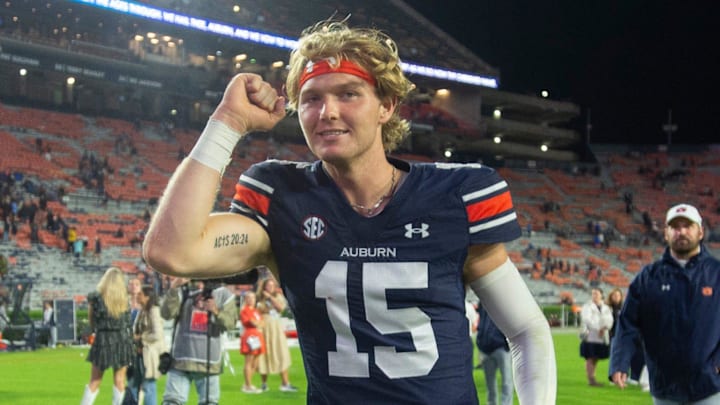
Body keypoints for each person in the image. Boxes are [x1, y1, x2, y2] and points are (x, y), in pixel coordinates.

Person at [143, 20, 556, 404]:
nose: (328, 112)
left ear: (387, 106)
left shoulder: (457, 195)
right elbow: (171, 252)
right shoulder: (280, 196)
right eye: (311, 99)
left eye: (348, 93)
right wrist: (227, 121)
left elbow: (524, 329)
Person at [610, 203, 720, 403]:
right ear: (666, 234)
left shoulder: (716, 273)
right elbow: (628, 323)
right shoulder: (648, 277)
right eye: (675, 227)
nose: (682, 231)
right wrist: (619, 362)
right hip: (664, 386)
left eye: (688, 226)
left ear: (701, 231)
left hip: (709, 386)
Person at [159, 278, 236, 405]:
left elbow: (230, 324)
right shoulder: (183, 290)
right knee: (172, 401)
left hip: (209, 361)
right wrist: (173, 288)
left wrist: (216, 311)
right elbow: (166, 314)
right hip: (181, 360)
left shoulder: (224, 294)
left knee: (209, 402)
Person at [81, 267, 135, 405]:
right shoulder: (125, 299)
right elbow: (128, 322)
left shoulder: (96, 298)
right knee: (119, 381)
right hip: (122, 340)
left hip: (103, 340)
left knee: (94, 381)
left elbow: (92, 320)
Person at [255, 277, 298, 392]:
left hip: (276, 328)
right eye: (267, 285)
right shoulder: (258, 298)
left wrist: (270, 297)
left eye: (271, 285)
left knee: (280, 353)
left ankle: (285, 383)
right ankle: (264, 384)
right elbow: (256, 311)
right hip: (263, 328)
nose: (269, 287)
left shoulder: (277, 297)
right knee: (263, 355)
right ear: (263, 287)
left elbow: (280, 308)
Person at [130, 286, 166, 405]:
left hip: (150, 354)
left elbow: (157, 334)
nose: (137, 295)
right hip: (139, 353)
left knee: (149, 385)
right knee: (134, 384)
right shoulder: (142, 310)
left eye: (140, 294)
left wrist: (141, 338)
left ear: (147, 297)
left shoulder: (154, 310)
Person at [606, 287, 646, 389]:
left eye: (618, 295)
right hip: (617, 335)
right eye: (614, 295)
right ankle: (622, 375)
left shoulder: (624, 307)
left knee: (639, 357)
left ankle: (635, 377)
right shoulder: (611, 308)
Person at [476, 306, 514, 405]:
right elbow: (481, 320)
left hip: (501, 347)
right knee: (490, 384)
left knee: (506, 381)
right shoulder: (483, 300)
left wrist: (506, 343)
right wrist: (480, 341)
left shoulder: (504, 300)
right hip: (486, 348)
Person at [580, 287, 613, 387]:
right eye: (593, 293)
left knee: (596, 357)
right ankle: (591, 379)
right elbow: (587, 319)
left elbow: (610, 320)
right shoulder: (587, 306)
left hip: (602, 335)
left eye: (596, 293)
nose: (594, 295)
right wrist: (598, 328)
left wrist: (605, 327)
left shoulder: (606, 307)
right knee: (590, 357)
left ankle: (593, 377)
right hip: (590, 334)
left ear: (601, 295)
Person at [239, 291, 265, 394]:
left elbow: (262, 323)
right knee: (249, 362)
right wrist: (257, 323)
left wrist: (257, 323)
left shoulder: (255, 311)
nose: (251, 300)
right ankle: (248, 385)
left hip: (258, 336)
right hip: (250, 336)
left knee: (255, 363)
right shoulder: (244, 310)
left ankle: (248, 383)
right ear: (245, 299)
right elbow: (252, 322)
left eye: (252, 298)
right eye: (248, 298)